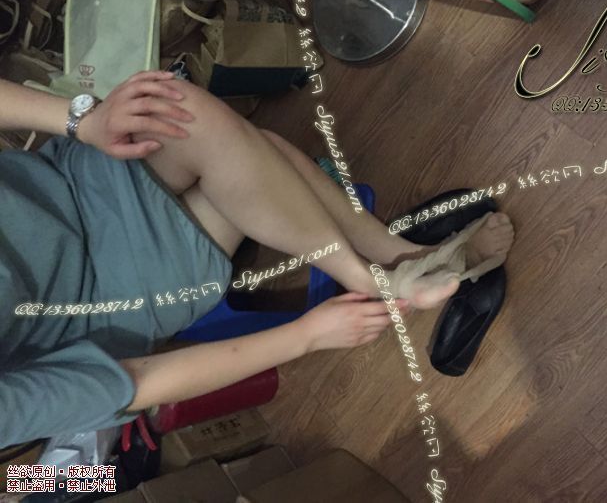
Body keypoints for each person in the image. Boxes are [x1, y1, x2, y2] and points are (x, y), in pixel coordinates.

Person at [0, 71, 514, 448]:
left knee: (195, 117)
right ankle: (386, 271)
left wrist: (81, 119)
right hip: (107, 303)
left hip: (70, 182)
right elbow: (136, 385)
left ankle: (394, 262)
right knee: (256, 154)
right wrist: (305, 336)